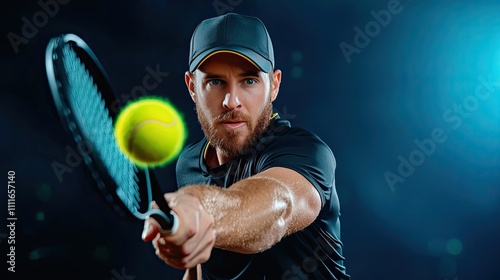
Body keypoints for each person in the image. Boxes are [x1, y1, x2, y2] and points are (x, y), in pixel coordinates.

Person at [142, 12, 350, 280]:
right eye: (215, 81)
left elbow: (280, 205)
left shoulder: (306, 153)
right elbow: (200, 271)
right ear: (192, 87)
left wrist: (201, 209)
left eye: (249, 81)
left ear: (274, 85)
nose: (231, 101)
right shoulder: (189, 163)